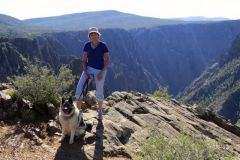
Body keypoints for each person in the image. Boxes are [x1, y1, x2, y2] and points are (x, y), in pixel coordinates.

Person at [75, 27, 110, 120]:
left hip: (100, 70)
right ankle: (78, 112)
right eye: (92, 34)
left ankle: (99, 111)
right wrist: (85, 72)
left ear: (98, 35)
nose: (94, 36)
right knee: (79, 88)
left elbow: (107, 60)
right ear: (89, 36)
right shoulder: (87, 45)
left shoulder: (103, 46)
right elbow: (84, 60)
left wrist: (102, 72)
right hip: (89, 69)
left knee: (99, 90)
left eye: (95, 34)